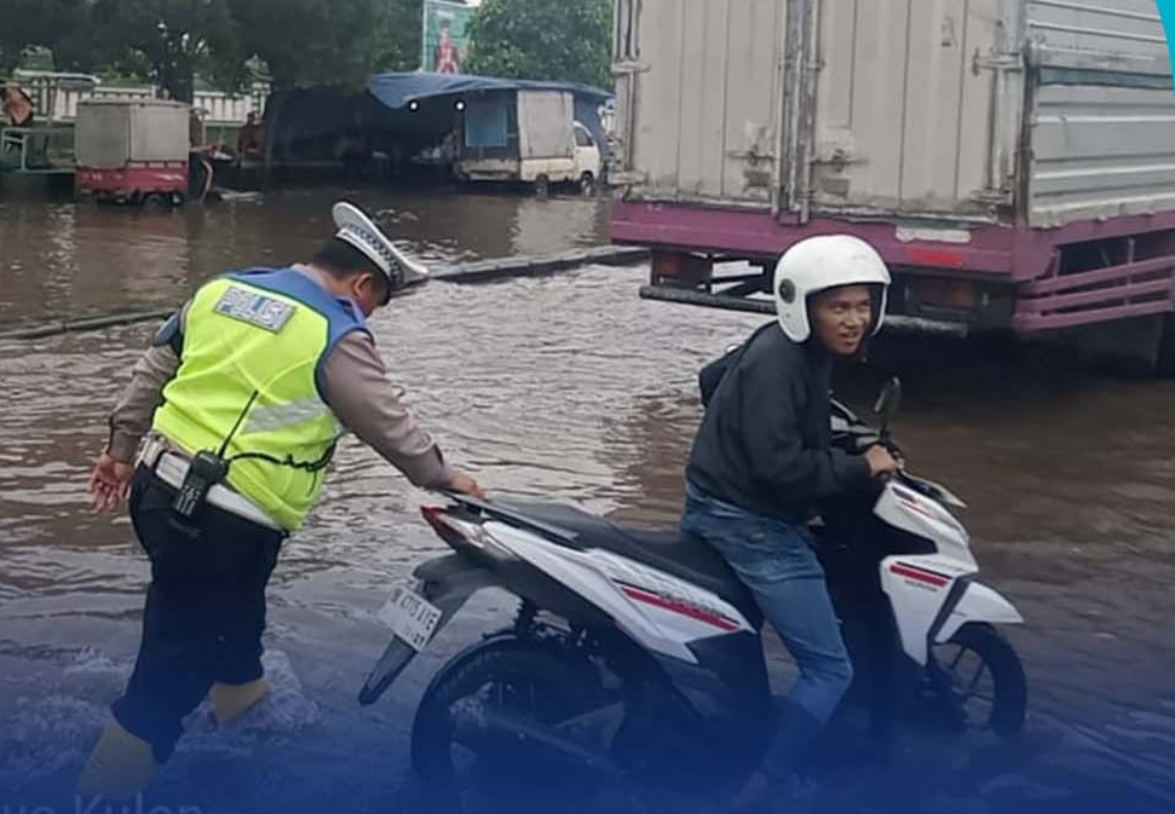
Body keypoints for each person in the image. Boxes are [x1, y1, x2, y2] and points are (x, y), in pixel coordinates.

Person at [80, 201, 485, 798]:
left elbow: (153, 368)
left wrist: (118, 450)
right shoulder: (336, 333)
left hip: (158, 490)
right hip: (224, 520)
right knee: (168, 674)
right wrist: (448, 478)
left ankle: (247, 732)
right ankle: (97, 795)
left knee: (235, 630)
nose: (370, 314)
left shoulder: (221, 291)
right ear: (363, 282)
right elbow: (388, 424)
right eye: (377, 302)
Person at [681, 235, 900, 810]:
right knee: (830, 669)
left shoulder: (786, 344)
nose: (854, 320)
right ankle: (765, 786)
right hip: (750, 523)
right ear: (802, 304)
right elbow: (781, 471)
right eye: (838, 307)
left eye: (862, 305)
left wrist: (767, 422)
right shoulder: (782, 361)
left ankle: (745, 729)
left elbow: (711, 378)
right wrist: (859, 466)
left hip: (715, 499)